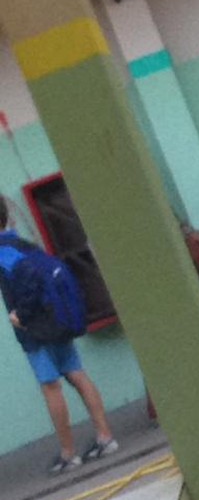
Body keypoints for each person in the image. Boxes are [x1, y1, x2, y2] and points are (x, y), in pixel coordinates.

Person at [0, 200, 118, 474]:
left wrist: (21, 315)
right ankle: (105, 437)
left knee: (50, 386)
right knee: (77, 374)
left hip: (35, 330)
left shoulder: (4, 252)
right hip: (56, 321)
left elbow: (29, 279)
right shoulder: (24, 245)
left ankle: (68, 454)